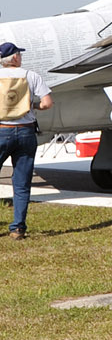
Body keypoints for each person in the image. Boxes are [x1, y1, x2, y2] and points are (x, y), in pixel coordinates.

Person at [0, 42, 50, 240]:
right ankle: (18, 228)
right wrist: (32, 105)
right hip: (25, 132)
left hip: (2, 130)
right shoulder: (31, 75)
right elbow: (47, 103)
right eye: (18, 54)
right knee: (21, 183)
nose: (20, 57)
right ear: (14, 58)